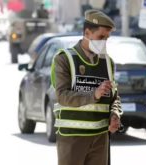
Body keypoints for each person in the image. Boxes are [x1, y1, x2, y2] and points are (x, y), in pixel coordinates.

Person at [51, 9, 122, 165]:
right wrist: (94, 95)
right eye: (101, 37)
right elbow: (63, 96)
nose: (104, 42)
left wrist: (115, 114)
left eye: (107, 38)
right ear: (87, 32)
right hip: (72, 137)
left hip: (100, 138)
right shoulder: (64, 59)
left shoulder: (107, 62)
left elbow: (114, 97)